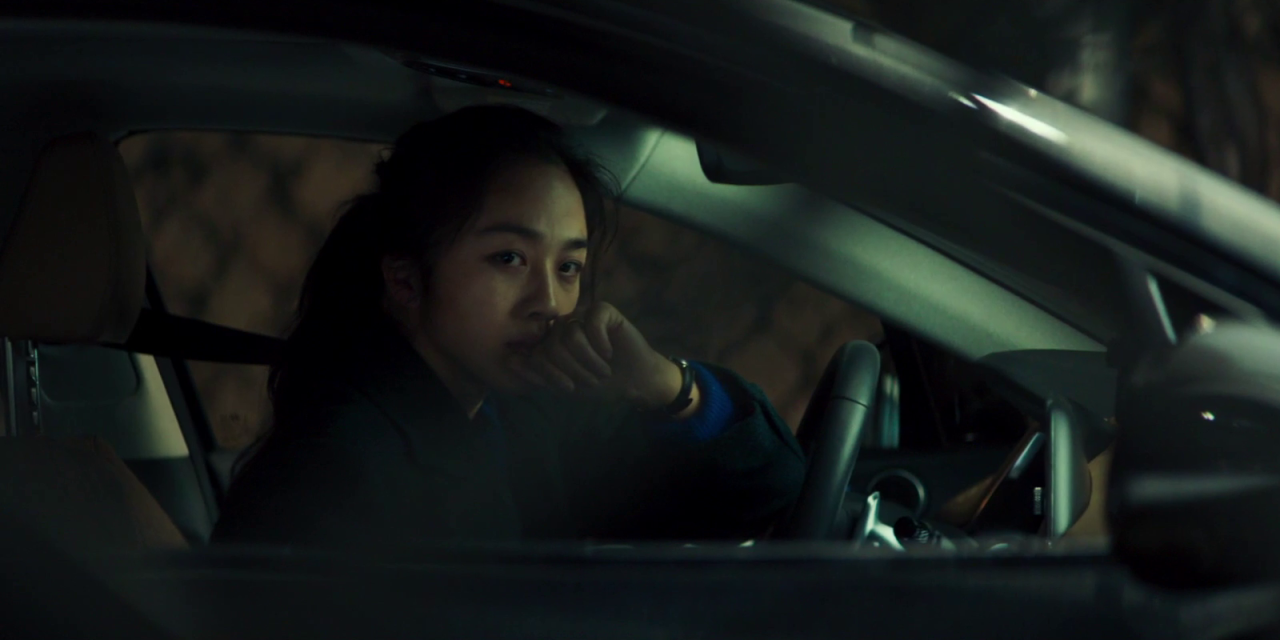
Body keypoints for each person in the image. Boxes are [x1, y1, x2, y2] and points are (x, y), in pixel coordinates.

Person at [212, 105, 805, 549]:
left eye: (568, 267)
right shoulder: (335, 475)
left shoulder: (533, 416)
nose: (549, 302)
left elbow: (767, 489)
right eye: (509, 258)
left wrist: (667, 387)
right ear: (406, 281)